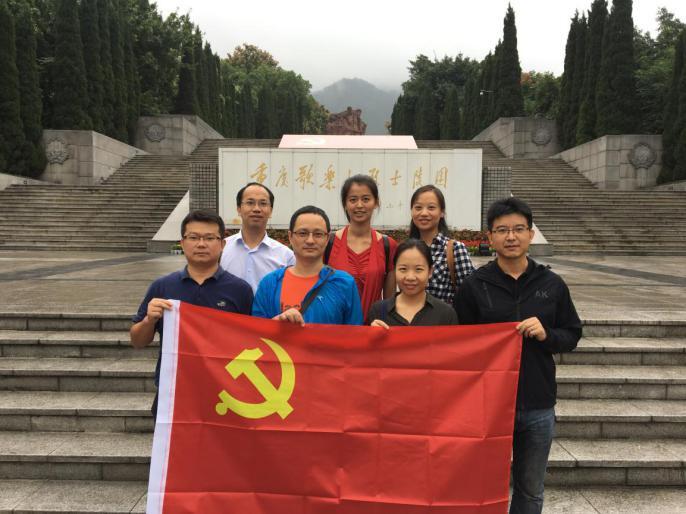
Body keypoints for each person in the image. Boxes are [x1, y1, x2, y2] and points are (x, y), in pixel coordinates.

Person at [454, 197, 581, 514]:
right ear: (490, 236)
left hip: (537, 402)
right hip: (488, 405)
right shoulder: (474, 286)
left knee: (530, 490)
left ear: (530, 234)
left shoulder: (551, 284)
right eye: (502, 230)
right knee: (480, 485)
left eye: (518, 229)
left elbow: (572, 334)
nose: (511, 237)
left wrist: (547, 334)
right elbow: (459, 345)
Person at [130, 209, 253, 418]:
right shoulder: (162, 287)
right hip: (173, 389)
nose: (201, 244)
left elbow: (251, 343)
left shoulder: (240, 290)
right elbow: (137, 341)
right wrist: (149, 321)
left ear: (222, 244)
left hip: (224, 394)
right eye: (194, 237)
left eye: (210, 238)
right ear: (182, 242)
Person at [252, 205, 363, 326]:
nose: (310, 240)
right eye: (302, 233)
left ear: (327, 238)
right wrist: (276, 323)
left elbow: (355, 334)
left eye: (318, 234)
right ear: (290, 236)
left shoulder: (344, 284)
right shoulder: (269, 284)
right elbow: (257, 332)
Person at [325, 174, 397, 319]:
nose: (359, 205)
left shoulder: (388, 245)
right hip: (335, 326)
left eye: (366, 199)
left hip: (373, 326)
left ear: (376, 202)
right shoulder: (328, 243)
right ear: (345, 204)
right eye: (353, 200)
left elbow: (390, 301)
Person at [220, 182, 294, 293]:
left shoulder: (286, 256)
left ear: (270, 211)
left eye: (263, 203)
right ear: (239, 209)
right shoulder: (221, 249)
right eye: (250, 203)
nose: (256, 209)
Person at [367, 238, 457, 327]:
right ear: (394, 270)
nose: (410, 277)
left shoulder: (446, 314)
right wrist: (372, 333)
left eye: (418, 269)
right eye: (403, 269)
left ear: (430, 272)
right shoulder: (378, 311)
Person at [409, 185, 475, 304]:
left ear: (442, 212)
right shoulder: (406, 250)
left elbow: (469, 296)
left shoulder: (455, 249)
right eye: (418, 207)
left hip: (445, 316)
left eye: (431, 207)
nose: (424, 213)